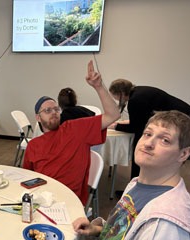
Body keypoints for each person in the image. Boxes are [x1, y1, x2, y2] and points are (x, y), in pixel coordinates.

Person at [69, 110, 190, 240]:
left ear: (183, 154)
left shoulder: (167, 224)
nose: (148, 143)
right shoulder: (138, 183)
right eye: (148, 134)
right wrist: (98, 228)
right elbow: (126, 230)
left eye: (165, 140)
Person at [23, 61, 120, 205]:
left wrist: (98, 86)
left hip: (68, 201)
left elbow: (113, 115)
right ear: (38, 117)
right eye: (47, 111)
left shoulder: (75, 129)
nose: (54, 113)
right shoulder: (33, 145)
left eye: (56, 109)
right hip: (40, 199)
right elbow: (27, 177)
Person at [108, 79, 190, 179]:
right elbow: (143, 119)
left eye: (114, 95)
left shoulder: (135, 100)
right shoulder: (139, 91)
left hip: (186, 122)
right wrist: (121, 123)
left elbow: (136, 127)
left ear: (121, 93)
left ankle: (138, 185)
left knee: (140, 145)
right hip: (186, 117)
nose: (115, 99)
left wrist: (115, 126)